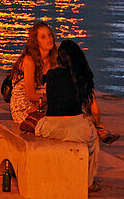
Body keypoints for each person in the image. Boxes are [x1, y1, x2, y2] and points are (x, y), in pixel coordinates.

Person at [34, 40, 102, 191]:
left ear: (60, 58)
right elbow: (95, 112)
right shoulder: (83, 79)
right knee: (93, 141)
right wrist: (97, 125)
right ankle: (88, 182)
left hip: (51, 128)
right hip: (76, 129)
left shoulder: (51, 75)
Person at [9, 22, 58, 125]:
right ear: (36, 42)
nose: (49, 40)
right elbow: (31, 95)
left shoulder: (54, 60)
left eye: (49, 35)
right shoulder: (29, 61)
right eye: (43, 37)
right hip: (23, 104)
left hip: (42, 102)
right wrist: (55, 98)